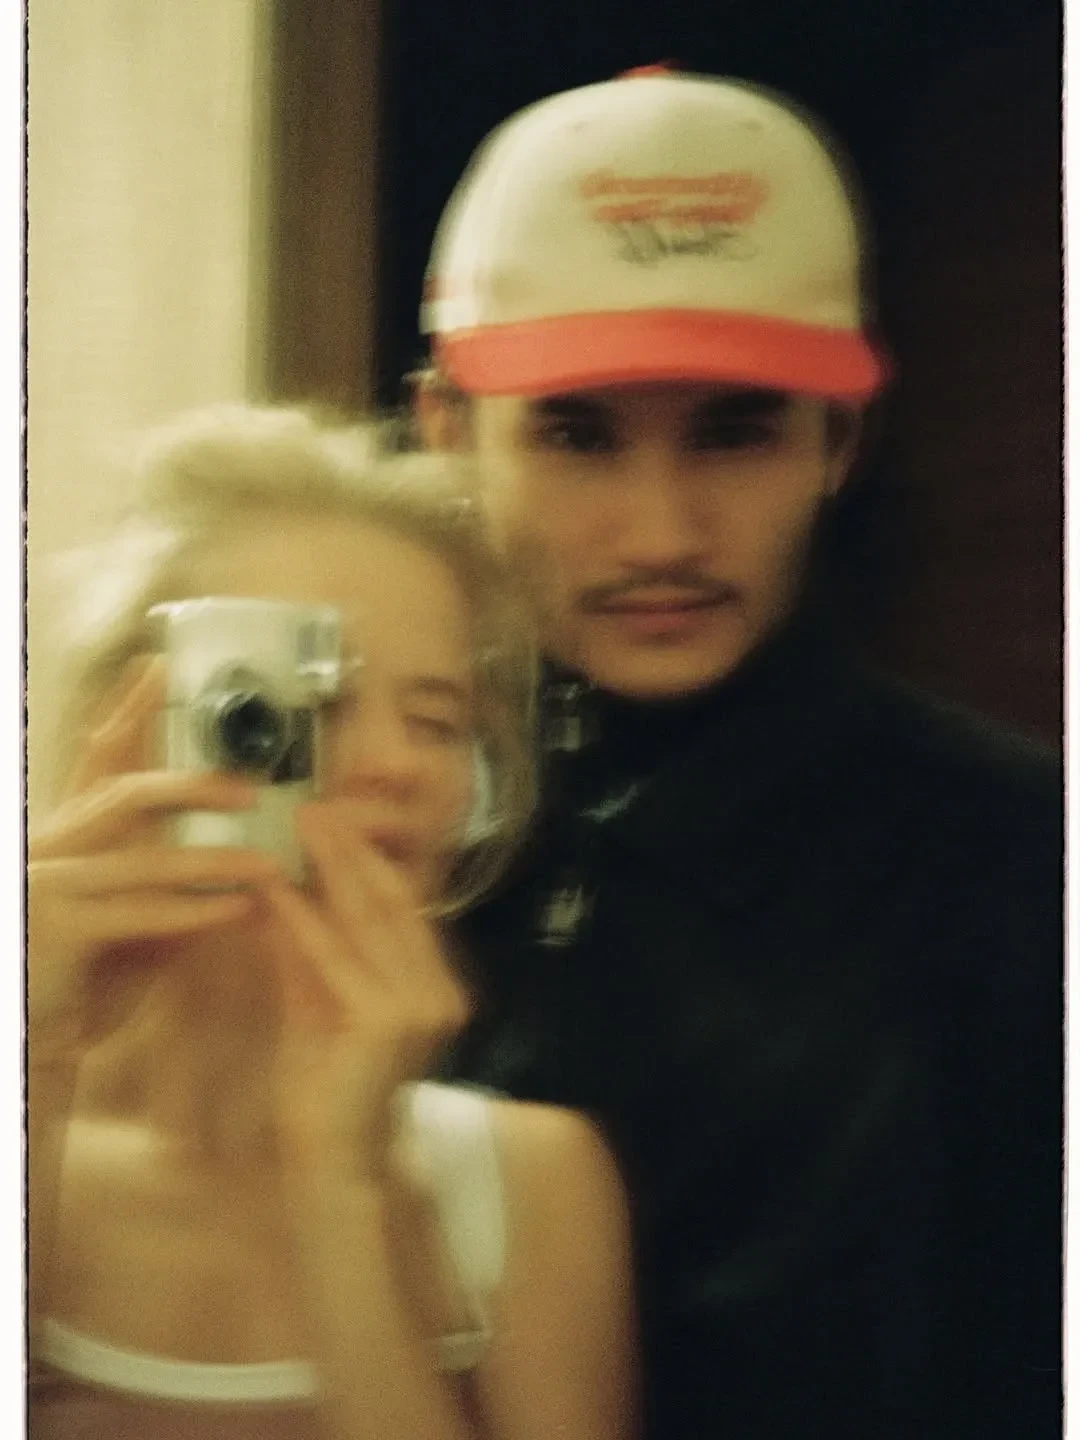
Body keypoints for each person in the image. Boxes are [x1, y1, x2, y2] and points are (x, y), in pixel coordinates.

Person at [412, 67, 1063, 1439]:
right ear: (445, 434)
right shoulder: (371, 836)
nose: (662, 534)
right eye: (577, 435)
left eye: (737, 429)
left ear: (842, 439)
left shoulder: (1027, 869)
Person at [27, 404, 637, 1440]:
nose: (399, 765)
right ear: (128, 732)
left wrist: (341, 1197)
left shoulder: (529, 1184)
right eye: (296, 705)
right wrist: (33, 1060)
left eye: (437, 721)